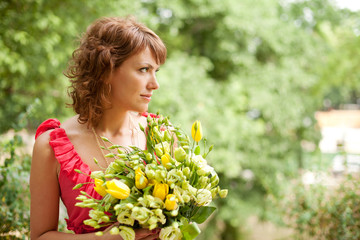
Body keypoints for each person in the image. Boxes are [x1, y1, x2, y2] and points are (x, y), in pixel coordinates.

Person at [30, 16, 167, 240]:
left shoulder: (162, 136)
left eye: (155, 71)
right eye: (143, 69)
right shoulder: (51, 147)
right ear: (106, 71)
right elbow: (40, 236)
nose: (154, 84)